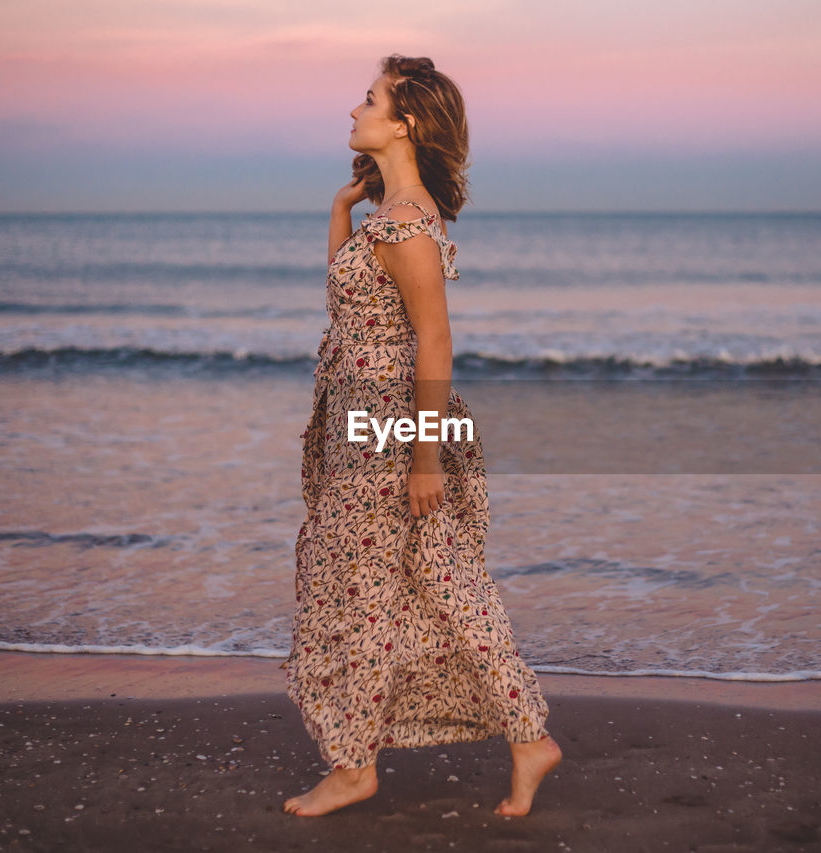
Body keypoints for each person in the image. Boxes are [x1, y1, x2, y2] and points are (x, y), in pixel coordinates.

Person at [279, 54, 562, 818]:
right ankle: (526, 737)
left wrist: (425, 457)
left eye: (369, 100)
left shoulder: (406, 226)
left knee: (365, 593)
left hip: (386, 434)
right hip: (364, 426)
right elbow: (349, 308)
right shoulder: (390, 214)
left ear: (403, 123)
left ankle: (354, 763)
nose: (354, 110)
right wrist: (342, 209)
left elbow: (434, 342)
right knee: (432, 583)